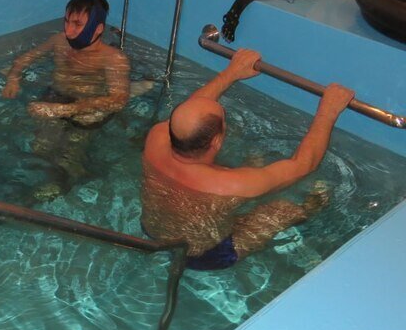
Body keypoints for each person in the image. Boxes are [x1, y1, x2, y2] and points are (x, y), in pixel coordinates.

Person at [140, 49, 354, 270]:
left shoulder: (156, 137)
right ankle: (312, 206)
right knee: (282, 210)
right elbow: (304, 164)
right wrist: (328, 111)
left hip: (155, 234)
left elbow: (190, 113)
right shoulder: (233, 184)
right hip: (204, 255)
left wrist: (231, 73)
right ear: (216, 141)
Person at [2, 0, 131, 199]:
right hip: (56, 97)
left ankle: (67, 184)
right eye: (67, 21)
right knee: (39, 148)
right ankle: (29, 184)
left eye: (77, 24)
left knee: (70, 156)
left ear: (98, 28)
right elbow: (25, 59)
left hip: (87, 108)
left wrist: (66, 110)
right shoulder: (59, 41)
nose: (69, 31)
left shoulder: (113, 58)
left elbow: (119, 100)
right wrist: (13, 79)